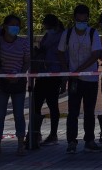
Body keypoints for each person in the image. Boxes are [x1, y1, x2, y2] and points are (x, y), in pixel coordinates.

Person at [58, 4, 102, 154]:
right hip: (74, 80)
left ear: (88, 19)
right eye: (79, 19)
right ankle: (71, 141)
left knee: (89, 111)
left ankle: (89, 140)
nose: (81, 22)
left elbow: (96, 54)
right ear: (74, 18)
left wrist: (80, 69)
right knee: (73, 112)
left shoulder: (93, 33)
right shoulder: (68, 33)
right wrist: (66, 70)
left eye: (84, 20)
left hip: (90, 79)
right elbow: (60, 52)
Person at [0, 14, 30, 157]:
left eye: (17, 25)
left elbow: (27, 61)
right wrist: (4, 76)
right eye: (12, 25)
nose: (15, 28)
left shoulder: (24, 42)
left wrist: (18, 75)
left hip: (18, 83)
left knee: (19, 114)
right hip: (0, 83)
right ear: (5, 27)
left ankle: (20, 144)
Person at [32, 14, 65, 146]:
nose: (46, 29)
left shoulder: (62, 36)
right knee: (36, 104)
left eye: (47, 26)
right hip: (42, 73)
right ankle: (35, 133)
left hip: (54, 74)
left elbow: (63, 57)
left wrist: (64, 79)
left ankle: (53, 134)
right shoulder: (47, 36)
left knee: (53, 105)